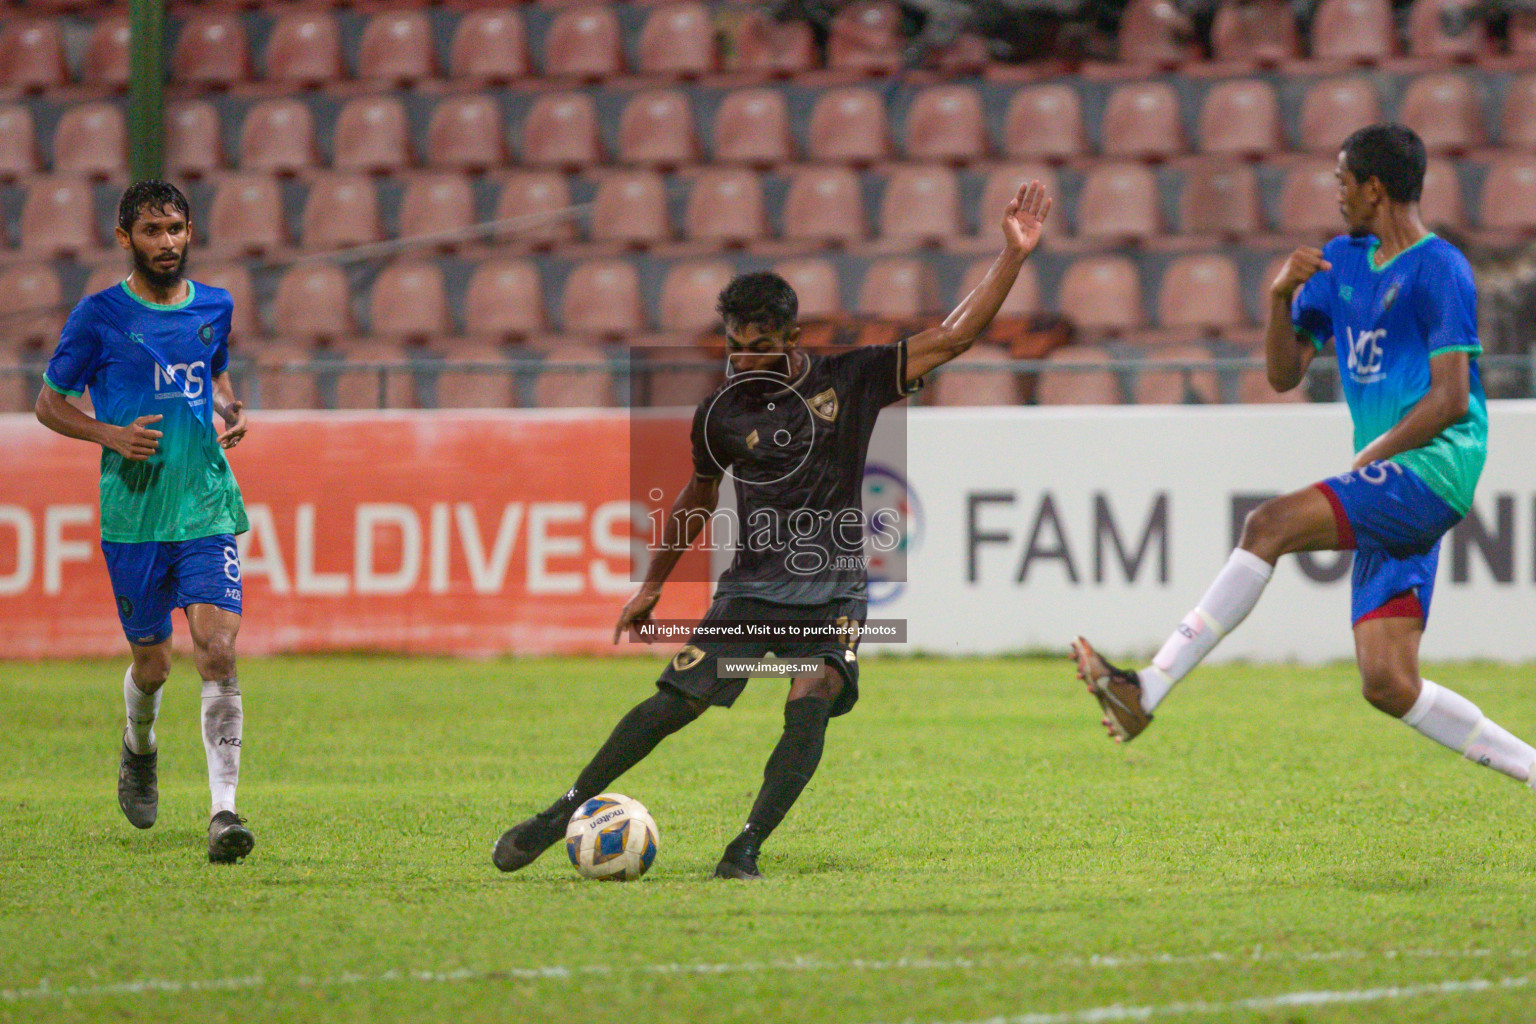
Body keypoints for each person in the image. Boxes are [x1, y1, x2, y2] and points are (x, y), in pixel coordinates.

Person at [494, 180, 1053, 880]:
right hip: (753, 589)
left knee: (811, 691)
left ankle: (747, 846)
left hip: (834, 588)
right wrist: (651, 587)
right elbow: (698, 499)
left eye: (758, 348)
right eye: (733, 346)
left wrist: (1011, 256)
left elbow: (955, 336)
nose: (742, 360)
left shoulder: (852, 380)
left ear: (793, 338)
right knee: (676, 705)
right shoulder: (719, 414)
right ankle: (558, 816)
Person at [1072, 124, 1536, 793]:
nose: (1336, 192)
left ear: (1374, 187)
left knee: (1267, 526)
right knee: (1387, 681)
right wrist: (1278, 299)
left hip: (1435, 467)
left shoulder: (1441, 269)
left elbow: (1452, 400)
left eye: (1344, 179)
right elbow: (1285, 374)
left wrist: (1371, 454)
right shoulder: (1339, 265)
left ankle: (1146, 689)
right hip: (1395, 475)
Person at [34, 180, 256, 864]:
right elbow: (49, 403)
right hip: (134, 511)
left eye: (177, 229)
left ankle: (224, 813)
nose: (168, 242)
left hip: (204, 501)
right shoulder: (99, 315)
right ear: (125, 238)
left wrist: (225, 403)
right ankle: (139, 746)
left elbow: (211, 367)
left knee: (216, 649)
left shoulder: (214, 306)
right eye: (154, 231)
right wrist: (109, 433)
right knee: (154, 664)